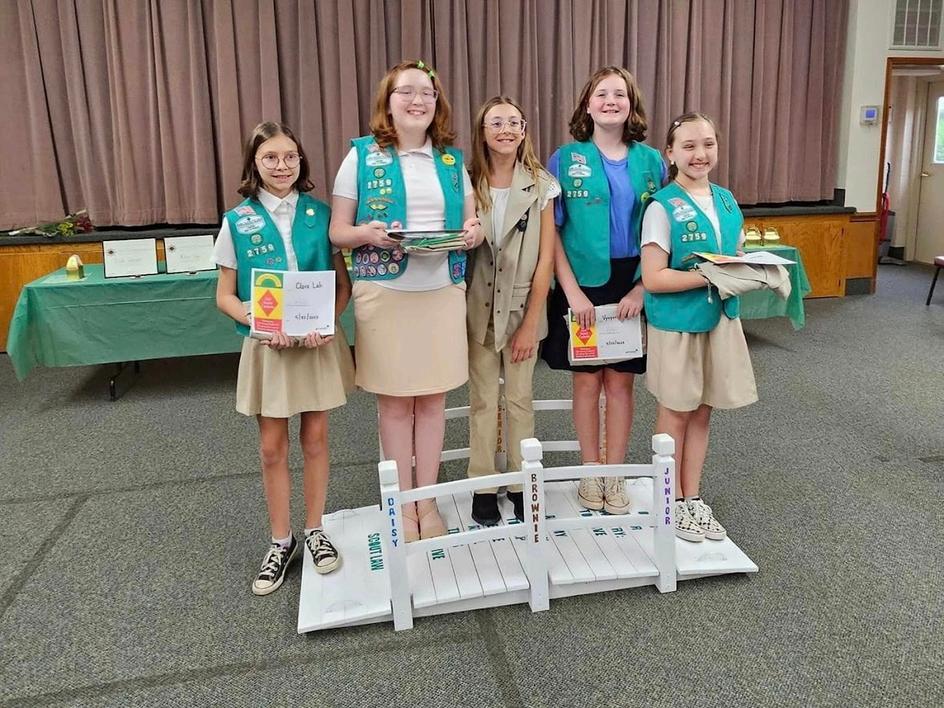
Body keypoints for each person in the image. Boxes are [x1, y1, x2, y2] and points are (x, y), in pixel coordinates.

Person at [329, 60, 482, 541]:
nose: (417, 101)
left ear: (437, 103)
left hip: (441, 292)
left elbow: (472, 222)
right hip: (386, 293)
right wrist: (368, 234)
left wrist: (472, 234)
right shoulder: (361, 156)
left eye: (427, 93)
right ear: (388, 102)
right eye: (406, 92)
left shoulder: (452, 162)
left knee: (433, 402)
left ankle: (427, 503)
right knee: (395, 406)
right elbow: (338, 231)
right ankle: (399, 506)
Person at [214, 121, 355, 595]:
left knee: (315, 439)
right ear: (254, 163)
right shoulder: (237, 221)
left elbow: (341, 285)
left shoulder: (321, 215)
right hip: (268, 346)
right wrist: (257, 320)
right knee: (272, 447)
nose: (282, 166)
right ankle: (281, 540)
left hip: (316, 343)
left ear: (301, 160)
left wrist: (329, 322)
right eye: (270, 157)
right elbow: (224, 296)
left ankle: (315, 529)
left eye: (290, 156)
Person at [542, 66, 665, 514]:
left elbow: (664, 229)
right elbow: (552, 233)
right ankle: (590, 470)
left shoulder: (653, 161)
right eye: (601, 94)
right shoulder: (564, 158)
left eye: (620, 94)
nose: (611, 101)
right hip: (582, 282)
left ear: (631, 104)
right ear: (587, 104)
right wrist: (571, 292)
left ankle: (615, 472)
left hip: (633, 278)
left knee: (621, 383)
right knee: (587, 380)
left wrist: (642, 288)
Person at [640, 112, 757, 542]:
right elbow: (654, 278)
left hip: (719, 321)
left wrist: (748, 269)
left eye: (708, 144)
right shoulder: (661, 207)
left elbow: (735, 255)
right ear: (670, 153)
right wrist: (711, 275)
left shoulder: (726, 200)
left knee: (704, 409)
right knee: (676, 411)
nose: (700, 154)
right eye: (688, 146)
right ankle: (668, 501)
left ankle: (692, 497)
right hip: (678, 325)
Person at [465, 96, 558, 526]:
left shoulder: (541, 185)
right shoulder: (467, 183)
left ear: (524, 131)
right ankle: (483, 485)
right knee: (483, 400)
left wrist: (531, 324)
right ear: (482, 132)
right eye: (495, 122)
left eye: (513, 122)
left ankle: (523, 484)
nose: (505, 129)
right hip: (478, 310)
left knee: (520, 399)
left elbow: (546, 260)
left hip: (523, 310)